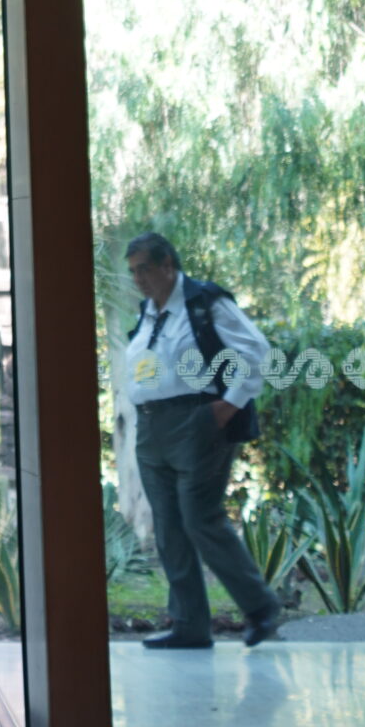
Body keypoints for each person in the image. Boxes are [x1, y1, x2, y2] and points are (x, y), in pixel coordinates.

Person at [125, 232, 283, 651]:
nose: (138, 278)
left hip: (197, 421)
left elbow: (257, 351)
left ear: (168, 266)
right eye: (133, 271)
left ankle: (261, 607)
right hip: (151, 428)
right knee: (169, 528)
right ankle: (189, 625)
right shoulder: (147, 312)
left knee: (199, 518)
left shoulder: (204, 302)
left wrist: (228, 405)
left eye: (144, 269)